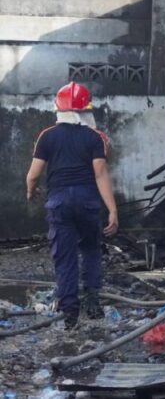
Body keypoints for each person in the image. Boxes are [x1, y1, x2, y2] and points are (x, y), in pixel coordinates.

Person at [26, 81, 119, 329]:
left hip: (59, 202)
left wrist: (31, 192)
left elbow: (33, 175)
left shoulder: (47, 136)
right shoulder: (95, 137)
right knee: (90, 249)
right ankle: (93, 301)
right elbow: (100, 174)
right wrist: (112, 209)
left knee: (65, 256)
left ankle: (70, 314)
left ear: (58, 109)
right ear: (86, 110)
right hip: (87, 201)